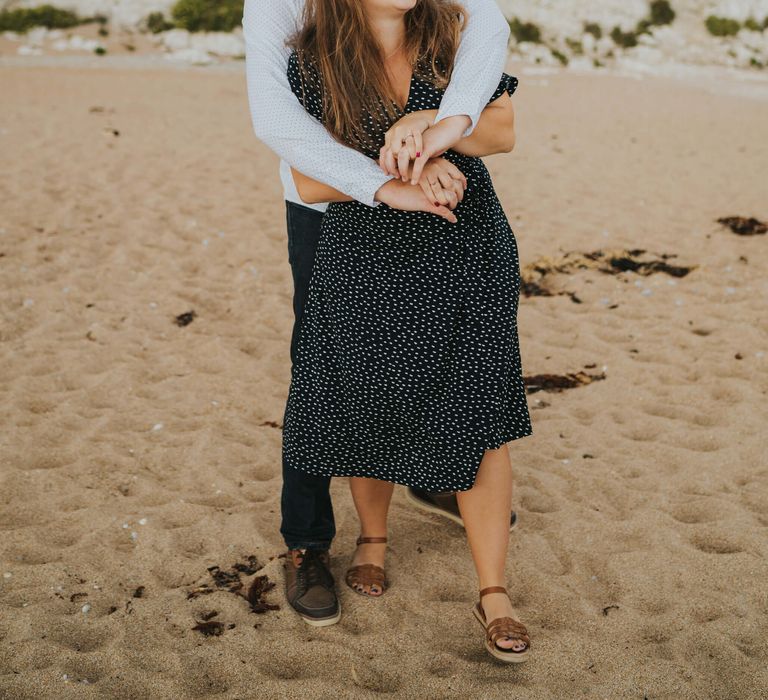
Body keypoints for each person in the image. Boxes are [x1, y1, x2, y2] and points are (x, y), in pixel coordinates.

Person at [242, 0, 522, 639]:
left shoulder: (449, 34)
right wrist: (410, 172)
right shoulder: (304, 46)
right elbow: (303, 167)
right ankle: (322, 543)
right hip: (354, 238)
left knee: (476, 404)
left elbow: (501, 128)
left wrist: (430, 125)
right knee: (349, 388)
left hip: (464, 242)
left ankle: (492, 589)